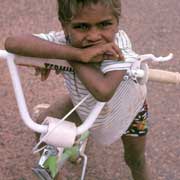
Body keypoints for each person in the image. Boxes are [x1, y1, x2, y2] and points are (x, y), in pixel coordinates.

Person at [5, 0, 151, 179]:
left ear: (117, 22)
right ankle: (53, 175)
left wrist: (67, 56)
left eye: (104, 24)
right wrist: (76, 53)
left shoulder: (119, 47)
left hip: (127, 111)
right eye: (82, 26)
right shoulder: (65, 41)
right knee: (44, 130)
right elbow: (12, 43)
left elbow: (103, 91)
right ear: (64, 26)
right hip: (82, 103)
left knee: (135, 159)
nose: (94, 36)